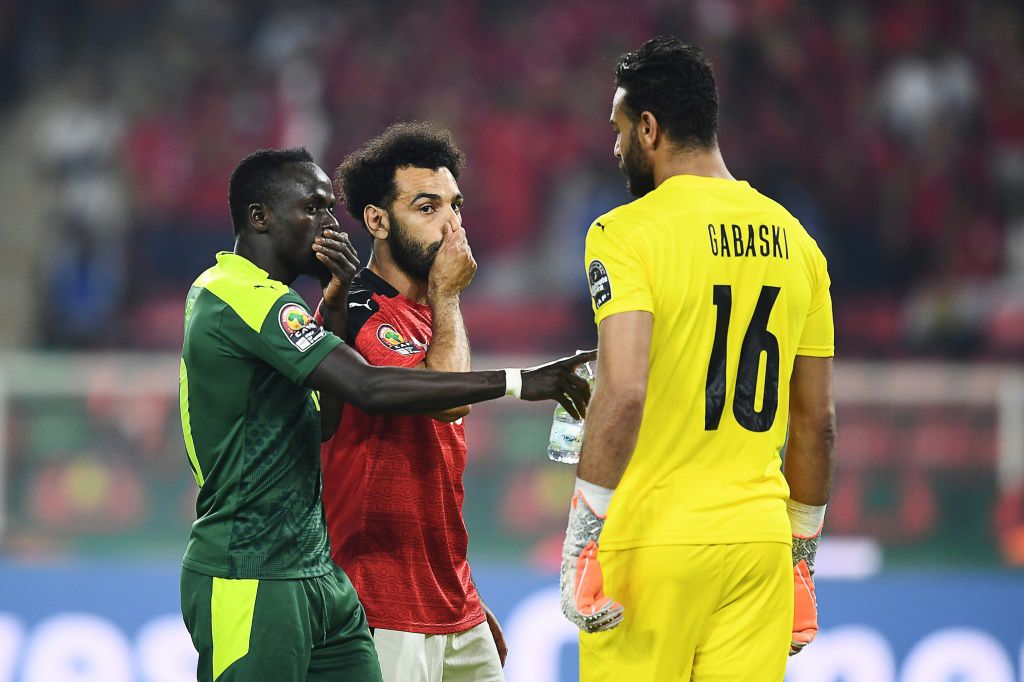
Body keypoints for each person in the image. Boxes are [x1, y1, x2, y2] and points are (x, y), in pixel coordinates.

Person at [178, 147, 593, 682]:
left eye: (456, 206)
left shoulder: (293, 308)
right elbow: (380, 388)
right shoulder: (242, 296)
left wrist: (454, 587)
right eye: (314, 208)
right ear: (260, 217)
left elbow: (324, 422)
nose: (332, 224)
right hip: (253, 566)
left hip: (324, 574)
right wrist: (519, 381)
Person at [557, 36, 837, 681]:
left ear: (649, 129)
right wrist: (800, 557)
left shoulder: (624, 233)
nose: (616, 146)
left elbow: (623, 392)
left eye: (620, 130)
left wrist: (581, 544)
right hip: (758, 545)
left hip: (651, 544)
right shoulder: (798, 242)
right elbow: (816, 421)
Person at [317, 122, 505, 682]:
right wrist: (448, 294)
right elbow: (447, 400)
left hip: (452, 600)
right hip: (380, 603)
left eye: (455, 206)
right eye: (428, 208)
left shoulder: (431, 315)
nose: (451, 226)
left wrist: (460, 589)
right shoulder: (356, 309)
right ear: (377, 220)